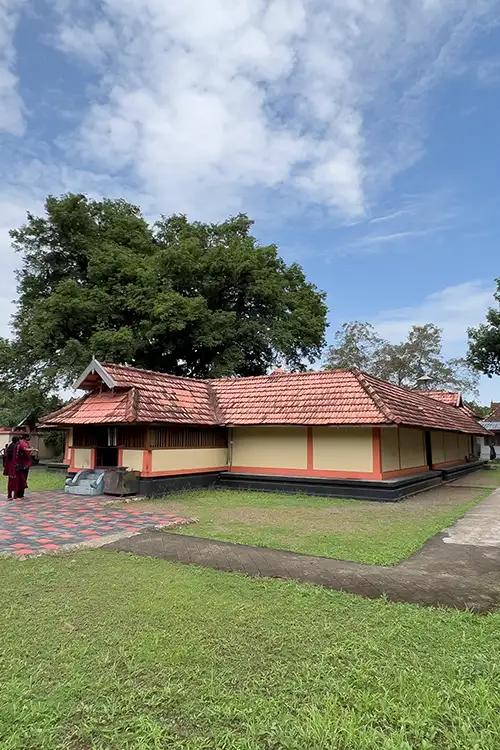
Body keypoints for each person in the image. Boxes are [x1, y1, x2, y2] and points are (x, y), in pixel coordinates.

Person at [13, 433, 33, 499]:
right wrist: (32, 450)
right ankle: (20, 494)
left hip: (19, 464)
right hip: (23, 464)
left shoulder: (20, 443)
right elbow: (26, 451)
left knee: (20, 479)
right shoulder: (23, 443)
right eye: (29, 437)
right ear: (26, 437)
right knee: (22, 479)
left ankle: (18, 493)